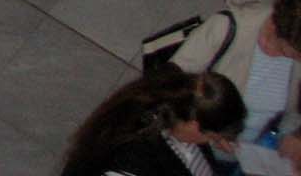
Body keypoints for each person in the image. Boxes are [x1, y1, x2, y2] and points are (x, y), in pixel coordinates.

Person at [172, 0, 301, 161]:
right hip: (197, 151)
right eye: (296, 54)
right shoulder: (226, 27)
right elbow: (170, 88)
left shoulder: (295, 48)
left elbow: (292, 111)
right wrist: (215, 134)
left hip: (250, 156)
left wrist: (295, 135)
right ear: (275, 29)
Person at [59, 67, 245, 176]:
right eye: (211, 137)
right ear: (195, 126)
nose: (211, 142)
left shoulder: (181, 103)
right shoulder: (132, 159)